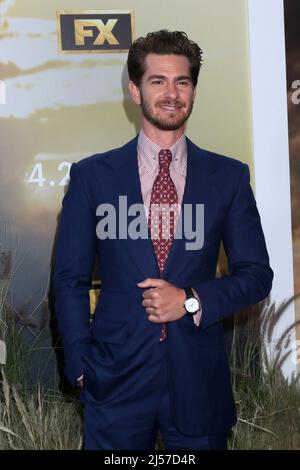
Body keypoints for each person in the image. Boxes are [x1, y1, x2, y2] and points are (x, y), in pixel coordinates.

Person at [53, 30, 273, 450]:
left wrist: (190, 300)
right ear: (135, 90)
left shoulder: (228, 177)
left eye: (182, 81)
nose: (171, 93)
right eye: (158, 81)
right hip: (114, 382)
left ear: (193, 90)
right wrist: (80, 365)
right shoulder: (93, 177)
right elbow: (69, 279)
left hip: (198, 384)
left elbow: (257, 275)